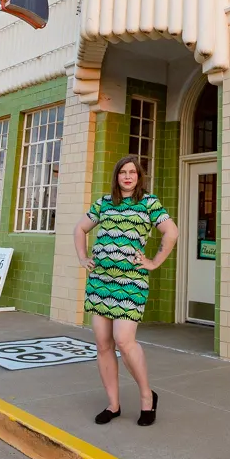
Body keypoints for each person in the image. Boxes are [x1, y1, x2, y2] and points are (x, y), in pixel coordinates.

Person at [74, 154, 178, 427]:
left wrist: (154, 261)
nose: (128, 176)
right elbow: (80, 229)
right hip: (100, 282)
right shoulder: (104, 203)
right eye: (123, 172)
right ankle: (113, 405)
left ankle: (147, 396)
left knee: (124, 340)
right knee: (103, 344)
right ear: (117, 176)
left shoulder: (149, 203)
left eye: (132, 172)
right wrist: (83, 258)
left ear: (139, 176)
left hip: (131, 282)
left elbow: (172, 232)